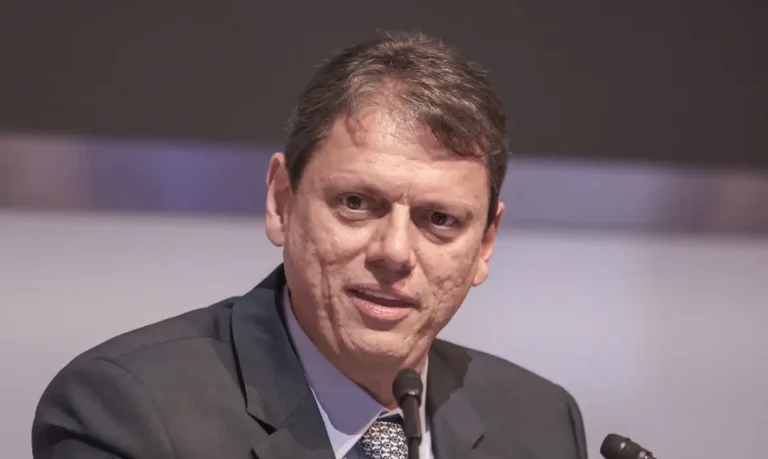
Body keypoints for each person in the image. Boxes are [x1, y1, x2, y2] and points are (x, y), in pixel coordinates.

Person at [32, 31, 588, 459]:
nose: (395, 252)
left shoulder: (540, 422)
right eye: (356, 203)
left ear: (485, 243)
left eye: (439, 219)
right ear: (282, 202)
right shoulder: (128, 411)